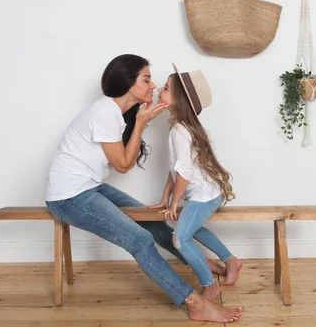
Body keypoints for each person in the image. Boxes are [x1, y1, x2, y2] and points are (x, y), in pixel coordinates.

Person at [44, 54, 243, 323]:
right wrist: (139, 123)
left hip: (89, 188)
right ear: (128, 83)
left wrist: (138, 121)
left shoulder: (117, 114)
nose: (153, 85)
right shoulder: (105, 113)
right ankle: (195, 303)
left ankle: (202, 265)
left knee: (155, 224)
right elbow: (123, 165)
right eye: (146, 79)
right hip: (69, 197)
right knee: (140, 240)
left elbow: (123, 162)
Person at [149, 64, 243, 301]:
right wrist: (165, 197)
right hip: (209, 192)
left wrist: (175, 202)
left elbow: (185, 172)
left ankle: (210, 285)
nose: (160, 88)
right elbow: (175, 169)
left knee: (180, 238)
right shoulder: (179, 127)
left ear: (178, 100)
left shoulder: (180, 130)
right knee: (190, 229)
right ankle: (231, 261)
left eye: (167, 88)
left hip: (205, 195)